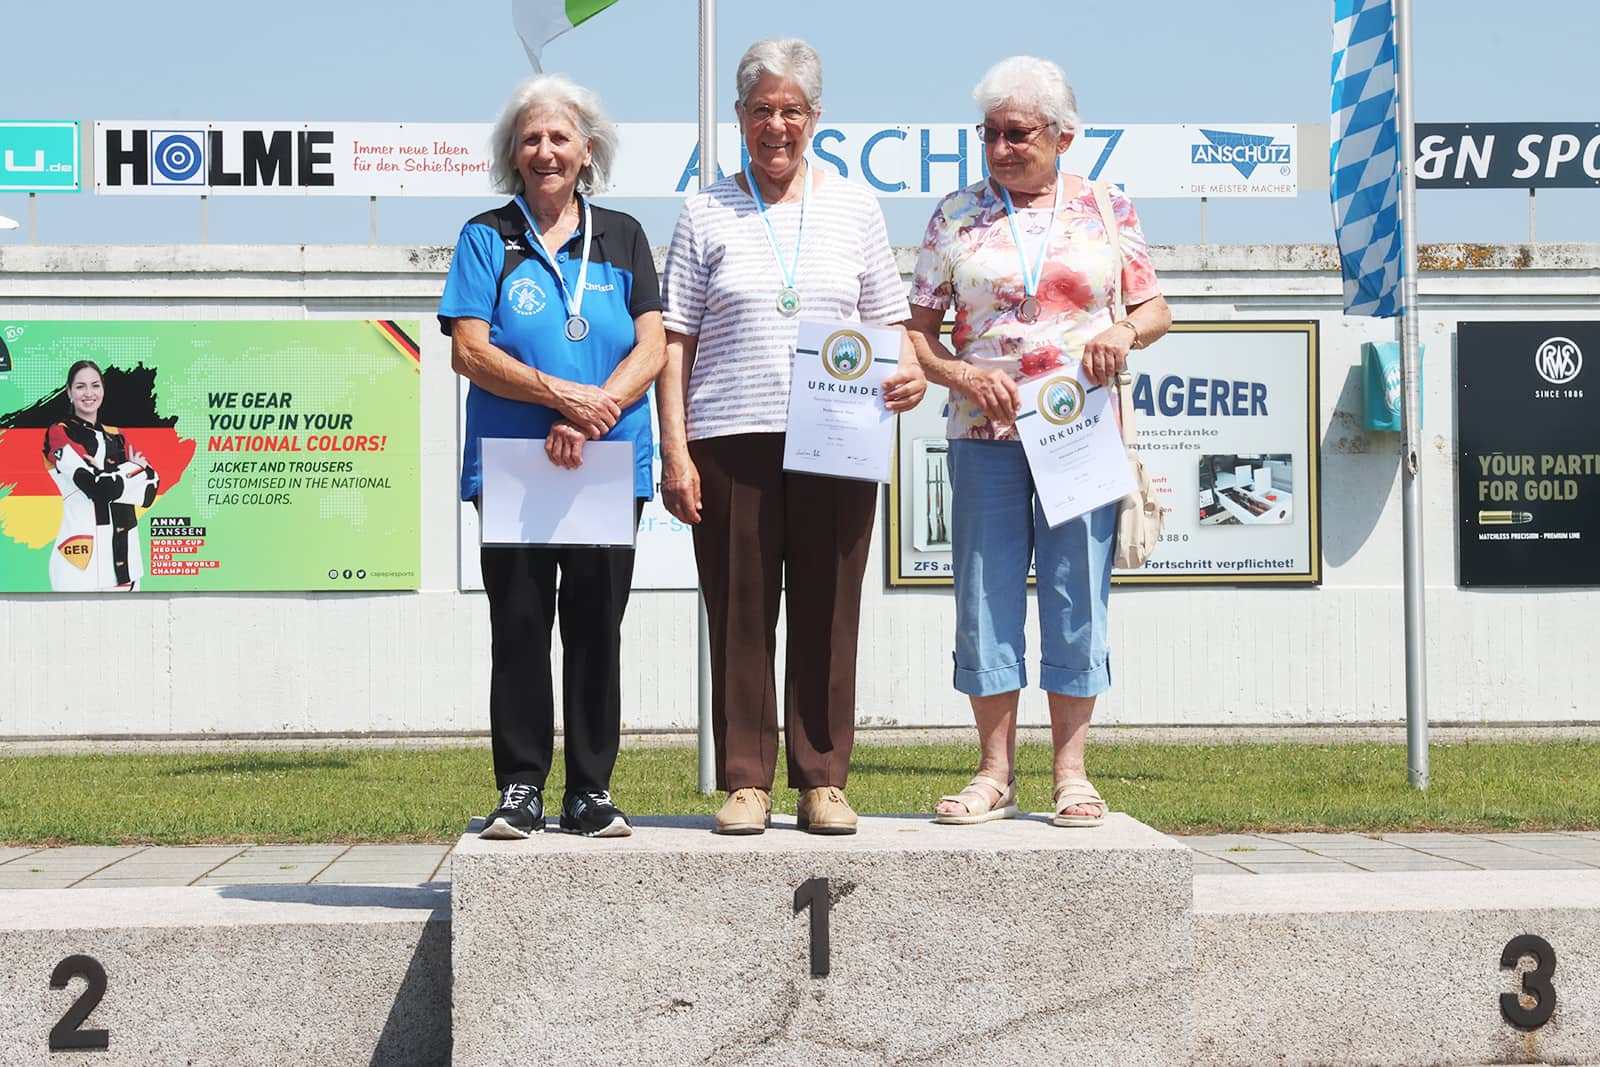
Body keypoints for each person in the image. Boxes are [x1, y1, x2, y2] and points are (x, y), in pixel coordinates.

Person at [658, 37, 926, 836]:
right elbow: (675, 338)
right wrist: (674, 446)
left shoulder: (855, 207)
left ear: (816, 119)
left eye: (792, 111)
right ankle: (745, 780)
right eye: (761, 110)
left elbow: (889, 322)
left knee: (830, 604)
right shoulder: (705, 208)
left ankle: (822, 778)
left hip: (837, 433)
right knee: (739, 608)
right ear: (739, 118)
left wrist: (909, 371)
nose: (777, 125)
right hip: (729, 433)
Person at [907, 56, 1171, 828]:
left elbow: (1155, 310)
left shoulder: (1106, 207)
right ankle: (994, 773)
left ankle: (1072, 772)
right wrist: (959, 374)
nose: (1000, 147)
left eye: (1016, 133)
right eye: (989, 134)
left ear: (1062, 135)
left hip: (1077, 428)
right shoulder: (954, 213)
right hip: (983, 429)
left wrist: (1121, 330)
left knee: (1074, 591)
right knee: (983, 596)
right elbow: (914, 335)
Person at [439, 74, 665, 839]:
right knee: (522, 624)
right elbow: (469, 351)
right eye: (531, 138)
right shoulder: (486, 236)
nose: (546, 151)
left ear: (586, 151)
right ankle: (522, 787)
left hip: (608, 459)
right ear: (513, 152)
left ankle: (591, 790)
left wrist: (594, 411)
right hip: (512, 465)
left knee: (598, 626)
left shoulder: (625, 234)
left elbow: (654, 343)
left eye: (559, 137)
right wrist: (561, 396)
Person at [44, 360, 159, 591]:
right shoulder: (59, 433)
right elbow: (100, 489)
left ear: (103, 390)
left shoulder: (118, 436)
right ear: (69, 392)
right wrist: (129, 472)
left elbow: (150, 488)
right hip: (80, 564)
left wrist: (108, 474)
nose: (89, 393)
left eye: (95, 385)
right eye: (80, 386)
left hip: (128, 567)